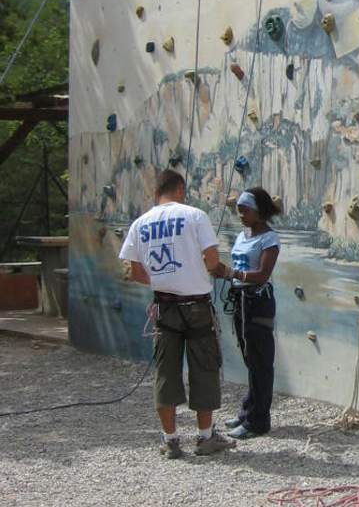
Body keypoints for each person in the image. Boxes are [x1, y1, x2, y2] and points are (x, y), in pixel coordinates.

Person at [118, 169, 236, 459]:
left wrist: (162, 280)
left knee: (165, 373)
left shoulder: (140, 223)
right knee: (204, 368)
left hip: (164, 307)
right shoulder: (195, 216)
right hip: (196, 306)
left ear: (156, 191)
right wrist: (215, 272)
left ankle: (170, 441)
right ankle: (205, 437)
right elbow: (211, 260)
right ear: (180, 189)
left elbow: (133, 271)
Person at [213, 188, 281, 440]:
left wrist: (231, 274)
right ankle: (248, 410)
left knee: (261, 361)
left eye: (245, 210)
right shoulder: (244, 235)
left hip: (258, 302)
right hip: (241, 300)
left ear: (259, 212)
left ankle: (259, 420)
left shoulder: (269, 239)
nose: (240, 214)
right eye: (238, 209)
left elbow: (262, 274)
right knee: (249, 358)